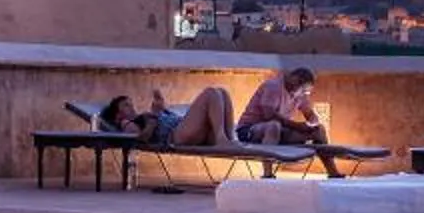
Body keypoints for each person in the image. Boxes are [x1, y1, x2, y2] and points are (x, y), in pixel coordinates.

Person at [238, 64, 342, 172]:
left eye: (306, 91)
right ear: (295, 80)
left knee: (319, 130)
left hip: (279, 132)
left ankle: (333, 172)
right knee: (274, 126)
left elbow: (309, 114)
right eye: (303, 90)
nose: (304, 93)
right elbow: (269, 115)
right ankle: (267, 174)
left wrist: (312, 123)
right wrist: (297, 126)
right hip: (249, 130)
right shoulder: (273, 86)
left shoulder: (299, 94)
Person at [99, 84, 237, 150]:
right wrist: (153, 117)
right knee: (211, 92)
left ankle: (229, 137)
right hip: (176, 135)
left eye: (130, 103)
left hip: (185, 128)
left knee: (222, 92)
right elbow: (141, 137)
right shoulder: (126, 123)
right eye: (125, 105)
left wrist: (161, 109)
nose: (131, 107)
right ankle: (222, 139)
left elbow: (160, 121)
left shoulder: (143, 116)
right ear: (117, 115)